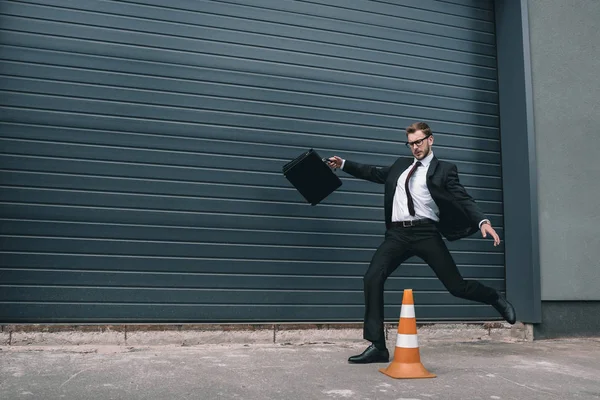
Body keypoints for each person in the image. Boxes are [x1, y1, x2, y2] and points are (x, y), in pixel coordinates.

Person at [326, 122, 516, 364]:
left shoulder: (444, 170)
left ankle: (493, 297)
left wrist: (482, 221)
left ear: (430, 140)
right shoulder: (400, 166)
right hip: (397, 235)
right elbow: (373, 173)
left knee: (456, 286)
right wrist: (343, 164)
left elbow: (463, 198)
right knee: (372, 277)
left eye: (419, 142)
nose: (415, 147)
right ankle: (377, 346)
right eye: (411, 143)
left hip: (426, 233)